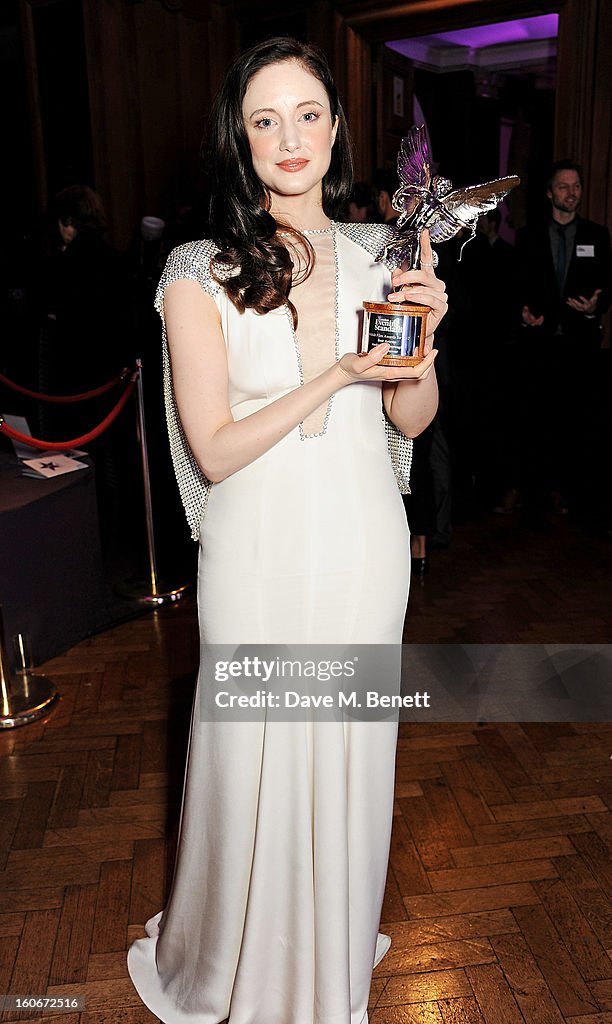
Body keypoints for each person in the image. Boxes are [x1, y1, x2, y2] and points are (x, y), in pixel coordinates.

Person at [127, 37, 447, 1024]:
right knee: (252, 757)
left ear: (337, 125)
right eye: (264, 119)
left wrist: (423, 348)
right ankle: (227, 955)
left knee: (348, 753)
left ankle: (330, 951)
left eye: (307, 113)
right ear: (240, 138)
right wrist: (336, 375)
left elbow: (409, 419)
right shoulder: (198, 267)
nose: (289, 137)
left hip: (361, 539)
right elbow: (215, 450)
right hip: (256, 550)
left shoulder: (389, 250)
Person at [517, 160, 612, 517]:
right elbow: (517, 285)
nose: (572, 193)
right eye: (563, 187)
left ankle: (575, 495)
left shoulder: (596, 235)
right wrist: (522, 313)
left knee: (580, 422)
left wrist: (595, 306)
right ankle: (537, 495)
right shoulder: (529, 236)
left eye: (576, 186)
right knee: (538, 421)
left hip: (580, 343)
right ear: (549, 193)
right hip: (539, 344)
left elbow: (607, 283)